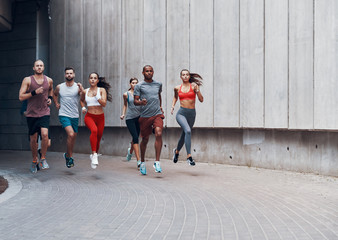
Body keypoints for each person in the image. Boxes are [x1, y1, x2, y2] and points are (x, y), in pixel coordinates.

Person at [18, 60, 54, 173]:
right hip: (32, 113)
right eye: (37, 66)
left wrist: (50, 99)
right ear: (34, 68)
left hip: (44, 112)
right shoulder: (27, 80)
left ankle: (43, 158)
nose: (39, 67)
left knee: (45, 135)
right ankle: (34, 160)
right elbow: (21, 97)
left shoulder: (49, 80)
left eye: (41, 66)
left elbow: (51, 90)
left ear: (43, 67)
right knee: (33, 140)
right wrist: (34, 92)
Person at [134, 65, 164, 175]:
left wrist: (160, 107)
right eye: (147, 71)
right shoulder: (139, 86)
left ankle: (157, 162)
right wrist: (141, 102)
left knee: (159, 133)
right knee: (145, 139)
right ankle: (142, 162)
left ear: (153, 72)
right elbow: (135, 101)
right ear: (143, 73)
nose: (149, 73)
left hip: (157, 114)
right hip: (145, 116)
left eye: (151, 71)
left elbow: (158, 95)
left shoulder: (158, 84)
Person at [171, 69, 204, 166]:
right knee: (188, 131)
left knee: (184, 134)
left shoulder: (194, 86)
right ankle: (189, 157)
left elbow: (201, 100)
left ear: (189, 76)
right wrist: (173, 106)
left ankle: (176, 152)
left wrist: (197, 90)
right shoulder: (177, 88)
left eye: (187, 75)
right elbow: (175, 97)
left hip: (192, 114)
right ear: (180, 77)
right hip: (181, 114)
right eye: (183, 75)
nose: (185, 76)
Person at [54, 67, 84, 168]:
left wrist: (82, 89)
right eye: (67, 73)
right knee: (70, 134)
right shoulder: (60, 87)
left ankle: (67, 155)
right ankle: (70, 157)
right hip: (63, 114)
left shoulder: (77, 87)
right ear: (65, 75)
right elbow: (54, 94)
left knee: (73, 138)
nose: (69, 75)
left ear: (74, 75)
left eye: (71, 73)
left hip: (75, 115)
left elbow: (83, 99)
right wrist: (56, 103)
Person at [80, 72, 112, 169]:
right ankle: (94, 154)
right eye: (91, 78)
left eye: (95, 78)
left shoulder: (101, 90)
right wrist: (83, 108)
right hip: (89, 116)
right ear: (89, 80)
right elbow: (81, 100)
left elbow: (104, 104)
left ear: (97, 80)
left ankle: (94, 154)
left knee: (98, 137)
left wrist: (96, 96)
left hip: (100, 117)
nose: (93, 80)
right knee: (94, 130)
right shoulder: (85, 91)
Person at [120, 78, 141, 168]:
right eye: (133, 83)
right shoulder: (126, 94)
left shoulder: (141, 94)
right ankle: (138, 160)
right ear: (130, 84)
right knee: (136, 137)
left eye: (136, 83)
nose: (135, 84)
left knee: (135, 138)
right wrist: (123, 114)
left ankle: (130, 151)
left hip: (139, 118)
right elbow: (125, 105)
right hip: (130, 119)